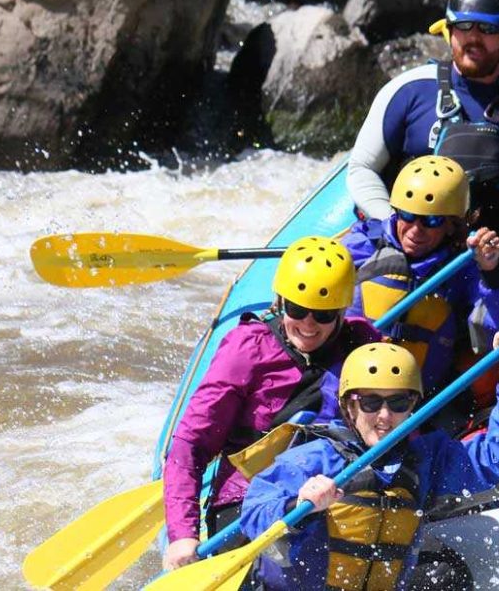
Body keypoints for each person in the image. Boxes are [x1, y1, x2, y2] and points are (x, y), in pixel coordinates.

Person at [239, 327, 499, 590]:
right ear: (349, 406)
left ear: (413, 406)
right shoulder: (311, 459)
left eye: (398, 402)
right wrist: (298, 507)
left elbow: (494, 463)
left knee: (447, 573)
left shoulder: (426, 460)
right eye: (371, 401)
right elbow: (253, 514)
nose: (385, 416)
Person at [345, 0, 499, 299]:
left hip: (498, 259)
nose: (473, 39)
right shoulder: (408, 91)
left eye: (487, 30)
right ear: (449, 30)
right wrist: (397, 224)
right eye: (465, 27)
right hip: (412, 253)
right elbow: (361, 167)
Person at [162, 236, 381, 570]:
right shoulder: (247, 348)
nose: (308, 324)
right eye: (297, 309)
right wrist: (182, 534)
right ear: (280, 302)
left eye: (322, 315)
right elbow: (191, 444)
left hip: (338, 489)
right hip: (253, 500)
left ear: (340, 311)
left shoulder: (362, 343)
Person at [342, 155, 499, 422]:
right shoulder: (364, 242)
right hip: (351, 383)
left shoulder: (462, 268)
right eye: (408, 215)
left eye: (431, 221)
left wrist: (492, 272)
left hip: (418, 400)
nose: (415, 230)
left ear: (452, 224)